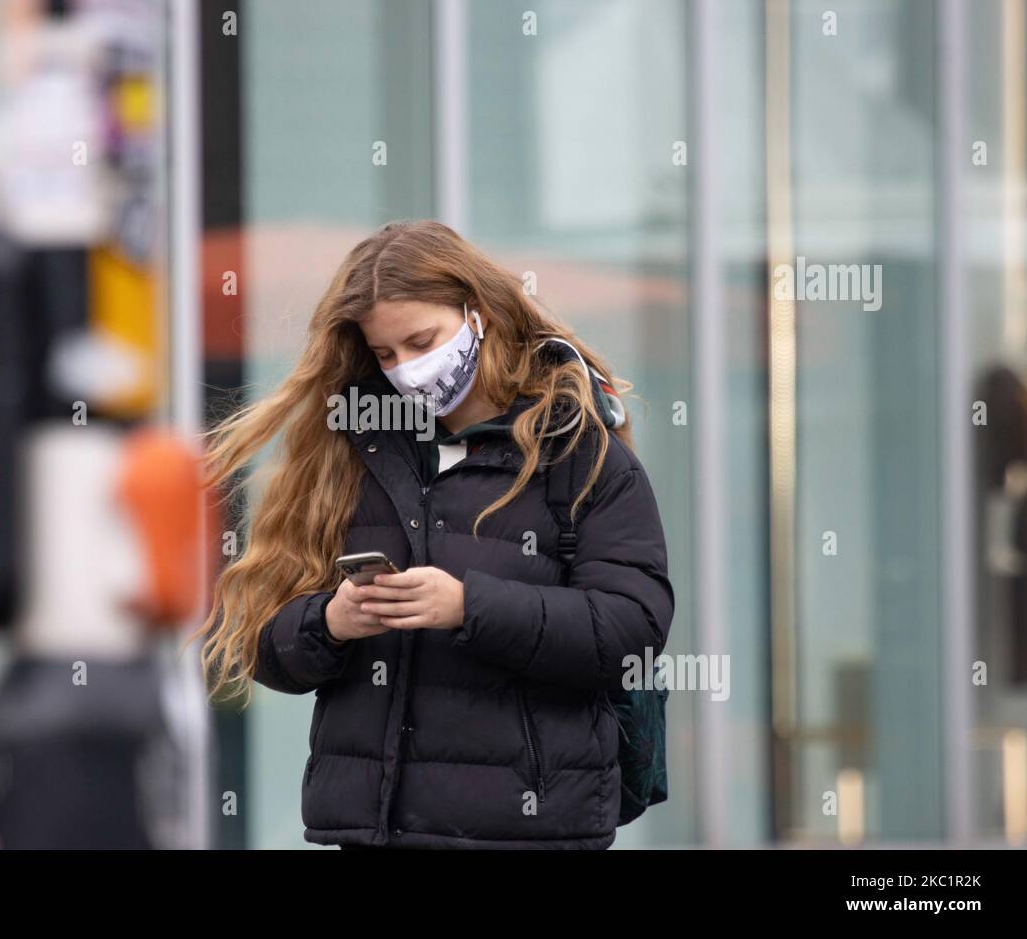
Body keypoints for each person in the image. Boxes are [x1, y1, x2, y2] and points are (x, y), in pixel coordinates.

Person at [192, 219, 675, 849]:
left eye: (422, 341)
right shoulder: (347, 452)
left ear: (478, 314)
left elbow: (632, 629)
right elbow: (265, 645)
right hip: (374, 832)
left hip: (527, 833)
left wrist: (467, 606)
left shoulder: (580, 454)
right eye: (386, 355)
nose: (407, 370)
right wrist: (331, 621)